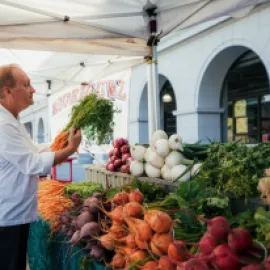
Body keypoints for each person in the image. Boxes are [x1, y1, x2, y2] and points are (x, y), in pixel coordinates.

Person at [0, 64, 81, 270]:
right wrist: (69, 149)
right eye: (26, 85)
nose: (33, 90)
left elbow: (35, 150)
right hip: (7, 218)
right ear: (7, 92)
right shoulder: (3, 124)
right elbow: (32, 163)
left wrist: (60, 147)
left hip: (15, 215)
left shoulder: (11, 120)